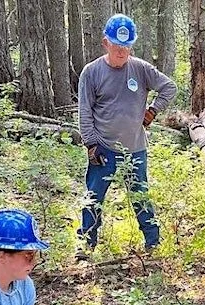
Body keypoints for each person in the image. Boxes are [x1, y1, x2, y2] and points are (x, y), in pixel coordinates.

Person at [76, 13, 178, 258]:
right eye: (117, 45)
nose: (121, 51)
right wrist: (91, 144)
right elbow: (84, 112)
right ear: (105, 43)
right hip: (103, 147)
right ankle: (86, 244)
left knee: (140, 195)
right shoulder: (91, 72)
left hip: (135, 148)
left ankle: (153, 242)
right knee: (94, 197)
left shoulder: (141, 69)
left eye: (126, 46)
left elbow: (169, 87)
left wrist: (152, 110)